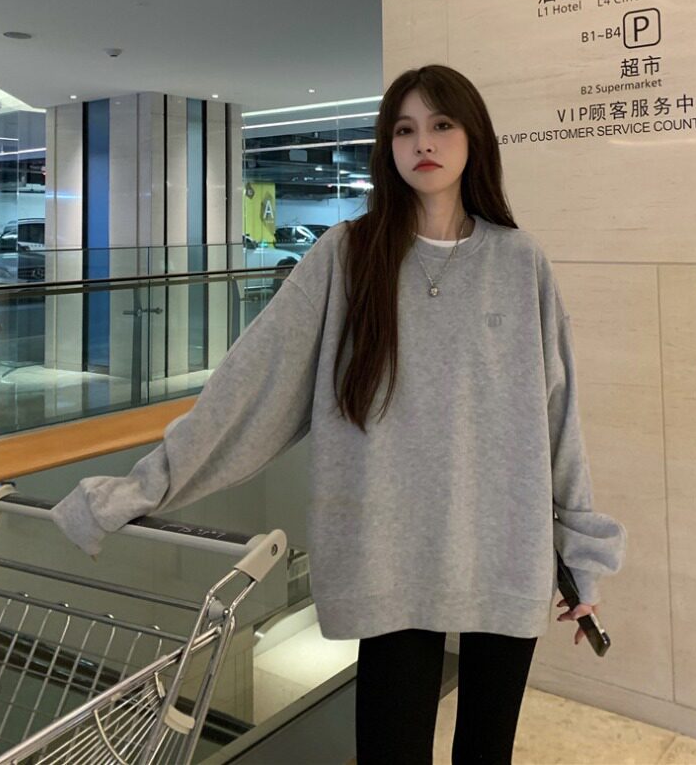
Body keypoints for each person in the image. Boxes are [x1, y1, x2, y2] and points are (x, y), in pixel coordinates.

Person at [51, 64, 627, 764]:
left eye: (442, 124)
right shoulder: (348, 255)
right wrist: (142, 488)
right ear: (387, 147)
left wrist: (582, 557)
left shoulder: (518, 260)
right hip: (388, 553)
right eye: (405, 129)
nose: (424, 142)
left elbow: (558, 417)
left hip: (506, 547)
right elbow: (249, 387)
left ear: (474, 136)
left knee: (487, 752)